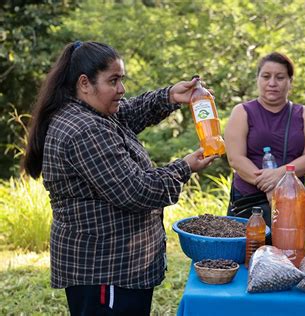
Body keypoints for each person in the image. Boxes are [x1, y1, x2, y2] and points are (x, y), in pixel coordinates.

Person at [22, 41, 216, 315]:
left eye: (121, 80)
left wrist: (170, 96)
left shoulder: (92, 112)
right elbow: (137, 191)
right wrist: (184, 167)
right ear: (84, 83)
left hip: (116, 267)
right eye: (113, 81)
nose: (121, 89)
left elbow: (130, 111)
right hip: (105, 270)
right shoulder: (84, 130)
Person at [225, 52, 305, 228]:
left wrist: (279, 176)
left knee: (287, 252)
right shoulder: (242, 111)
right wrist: (270, 187)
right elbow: (235, 158)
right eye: (266, 76)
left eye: (280, 77)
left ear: (290, 81)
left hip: (291, 200)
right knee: (244, 252)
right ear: (258, 79)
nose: (272, 83)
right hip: (247, 200)